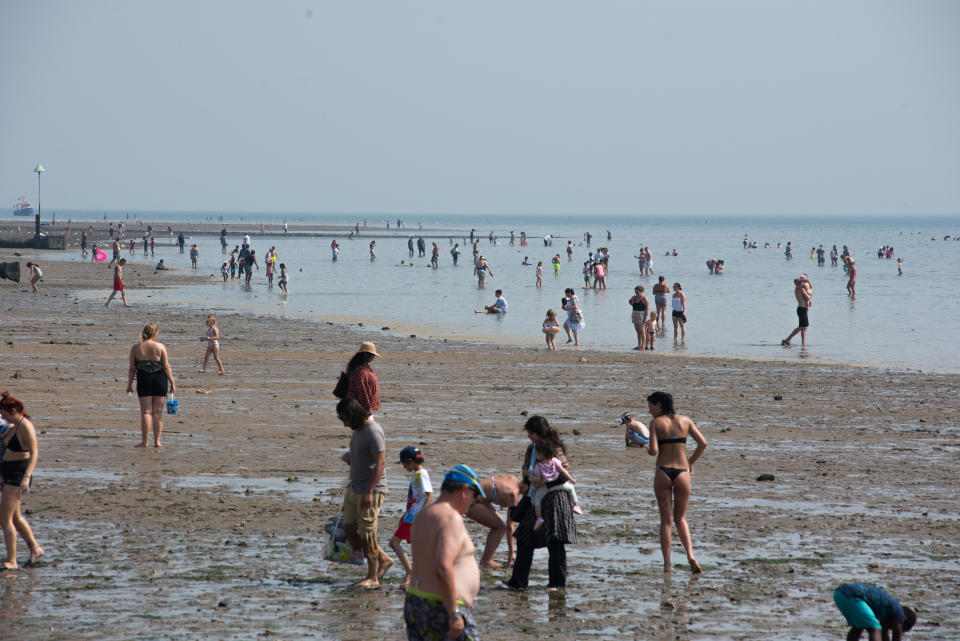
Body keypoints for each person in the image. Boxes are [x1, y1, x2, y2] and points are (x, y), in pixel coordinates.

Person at [404, 464, 482, 641]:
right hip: (440, 605)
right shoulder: (450, 518)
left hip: (415, 601)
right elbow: (442, 566)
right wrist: (453, 612)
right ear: (464, 490)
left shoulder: (423, 515)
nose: (473, 502)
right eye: (475, 496)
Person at [506, 416, 577, 591]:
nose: (529, 436)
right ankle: (518, 582)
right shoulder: (531, 449)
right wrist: (529, 480)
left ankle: (557, 583)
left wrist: (543, 481)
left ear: (537, 433)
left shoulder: (555, 449)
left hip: (555, 498)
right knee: (524, 539)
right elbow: (525, 472)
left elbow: (564, 472)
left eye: (530, 433)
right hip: (534, 498)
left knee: (555, 541)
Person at [644, 391, 706, 573]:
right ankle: (691, 556)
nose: (649, 412)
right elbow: (703, 443)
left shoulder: (656, 423)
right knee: (681, 518)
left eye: (651, 407)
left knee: (666, 520)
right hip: (682, 472)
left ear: (659, 404)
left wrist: (647, 448)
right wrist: (690, 462)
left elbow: (654, 451)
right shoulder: (685, 420)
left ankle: (667, 564)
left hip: (663, 471)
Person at [336, 398, 392, 588]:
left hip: (372, 490)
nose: (344, 424)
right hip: (355, 487)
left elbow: (380, 463)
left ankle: (372, 577)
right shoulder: (357, 432)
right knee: (348, 526)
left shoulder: (374, 432)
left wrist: (369, 491)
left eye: (345, 419)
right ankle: (384, 559)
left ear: (354, 416)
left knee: (368, 533)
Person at [1, 392, 44, 569]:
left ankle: (12, 560)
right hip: (8, 473)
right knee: (16, 517)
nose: (2, 417)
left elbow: (34, 454)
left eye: (3, 414)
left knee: (4, 518)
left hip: (19, 474)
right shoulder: (13, 425)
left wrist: (26, 478)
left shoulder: (25, 425)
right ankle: (35, 548)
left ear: (13, 411)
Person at [389, 446, 432, 588]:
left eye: (403, 464)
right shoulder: (417, 474)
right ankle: (415, 575)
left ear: (409, 461)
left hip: (416, 517)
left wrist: (421, 515)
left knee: (394, 543)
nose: (403, 468)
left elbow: (429, 495)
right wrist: (405, 514)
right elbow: (415, 497)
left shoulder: (421, 474)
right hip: (411, 515)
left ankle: (411, 573)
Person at [126, 323, 176, 447]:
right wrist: (172, 383)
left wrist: (129, 384)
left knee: (146, 412)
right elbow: (166, 366)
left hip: (144, 379)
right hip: (159, 379)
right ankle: (157, 442)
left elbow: (132, 368)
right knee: (158, 412)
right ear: (155, 334)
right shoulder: (160, 346)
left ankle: (145, 442)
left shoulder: (135, 348)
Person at [465, 473, 521, 568]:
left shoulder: (512, 478)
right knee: (501, 526)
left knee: (500, 525)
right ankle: (486, 561)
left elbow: (494, 489)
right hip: (470, 500)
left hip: (470, 493)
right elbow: (510, 527)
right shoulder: (513, 495)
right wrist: (511, 554)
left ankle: (486, 560)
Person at [833, 582, 917, 641]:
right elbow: (896, 637)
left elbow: (884, 636)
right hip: (853, 596)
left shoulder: (886, 614)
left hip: (840, 593)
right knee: (875, 629)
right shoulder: (899, 613)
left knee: (858, 627)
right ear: (904, 620)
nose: (893, 628)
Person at [530, 440, 579, 530]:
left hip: (546, 486)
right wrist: (571, 479)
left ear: (541, 454)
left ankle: (539, 518)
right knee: (571, 488)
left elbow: (538, 478)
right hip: (560, 484)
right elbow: (563, 470)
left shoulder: (538, 465)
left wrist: (533, 480)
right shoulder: (555, 459)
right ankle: (576, 505)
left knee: (537, 500)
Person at [345, 342, 381, 413]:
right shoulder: (360, 371)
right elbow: (362, 390)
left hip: (361, 408)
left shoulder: (365, 367)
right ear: (365, 355)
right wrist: (368, 408)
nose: (374, 357)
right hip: (359, 409)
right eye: (372, 355)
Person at [781, 275, 812, 347]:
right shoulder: (802, 289)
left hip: (801, 309)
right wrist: (810, 296)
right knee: (802, 326)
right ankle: (787, 340)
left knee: (804, 328)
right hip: (802, 308)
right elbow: (806, 298)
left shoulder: (799, 287)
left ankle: (803, 344)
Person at [629, 285, 649, 350]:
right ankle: (639, 345)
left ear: (641, 291)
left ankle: (643, 345)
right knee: (637, 331)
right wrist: (631, 301)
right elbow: (630, 302)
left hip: (641, 315)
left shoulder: (644, 299)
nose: (636, 293)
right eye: (635, 291)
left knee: (642, 331)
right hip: (635, 314)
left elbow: (647, 309)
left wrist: (645, 318)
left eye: (637, 291)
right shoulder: (634, 298)